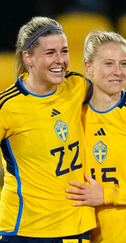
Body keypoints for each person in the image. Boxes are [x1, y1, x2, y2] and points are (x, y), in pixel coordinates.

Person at [0, 16, 95, 242]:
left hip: (75, 226)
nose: (61, 60)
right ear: (28, 58)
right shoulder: (8, 106)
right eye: (50, 53)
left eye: (64, 51)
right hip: (26, 230)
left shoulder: (77, 86)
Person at [65, 30, 126, 242]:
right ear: (88, 67)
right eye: (109, 63)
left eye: (124, 63)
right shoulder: (71, 116)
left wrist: (107, 196)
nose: (118, 71)